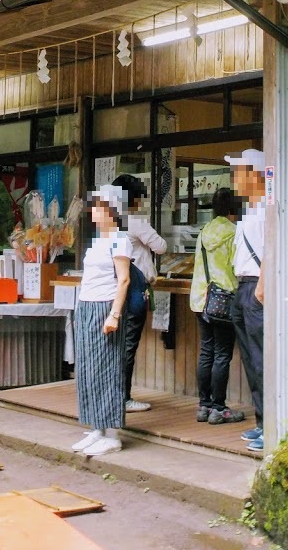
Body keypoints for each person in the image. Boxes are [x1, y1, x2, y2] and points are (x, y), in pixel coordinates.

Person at [71, 184, 131, 458]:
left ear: (111, 210)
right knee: (87, 368)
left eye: (98, 206)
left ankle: (113, 434)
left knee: (106, 368)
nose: (93, 211)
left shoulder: (120, 239)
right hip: (86, 305)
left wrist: (114, 314)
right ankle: (96, 427)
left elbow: (124, 279)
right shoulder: (99, 240)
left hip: (105, 307)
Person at [189, 187, 245, 425]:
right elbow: (239, 267)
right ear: (234, 208)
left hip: (201, 299)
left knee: (207, 351)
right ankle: (219, 408)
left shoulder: (204, 231)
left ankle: (204, 405)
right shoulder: (235, 233)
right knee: (222, 354)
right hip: (223, 300)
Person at [111, 174, 167, 413]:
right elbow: (162, 247)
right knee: (129, 344)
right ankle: (123, 397)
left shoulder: (110, 221)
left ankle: (114, 395)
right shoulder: (135, 221)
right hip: (135, 286)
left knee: (116, 344)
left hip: (114, 288)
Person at [226, 149, 266, 453]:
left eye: (238, 172)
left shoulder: (266, 209)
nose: (234, 179)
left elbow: (273, 251)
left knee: (262, 359)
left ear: (255, 175)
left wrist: (262, 288)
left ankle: (270, 425)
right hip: (243, 288)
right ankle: (262, 422)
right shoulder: (250, 211)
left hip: (255, 288)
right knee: (252, 361)